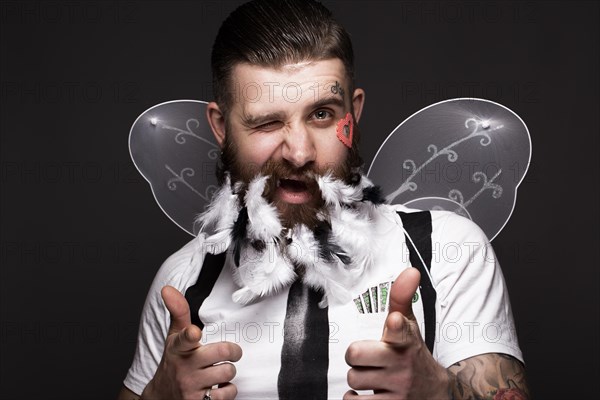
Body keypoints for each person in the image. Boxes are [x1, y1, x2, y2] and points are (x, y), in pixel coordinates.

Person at [118, 1, 530, 399]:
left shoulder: (446, 251)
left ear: (353, 113)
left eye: (321, 115)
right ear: (221, 128)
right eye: (266, 122)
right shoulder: (182, 282)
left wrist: (439, 393)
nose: (299, 153)